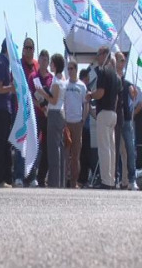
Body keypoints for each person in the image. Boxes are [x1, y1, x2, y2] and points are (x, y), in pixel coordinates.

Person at [89, 46, 121, 189]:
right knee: (111, 149)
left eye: (98, 54)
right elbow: (116, 97)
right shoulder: (116, 75)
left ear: (104, 55)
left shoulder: (103, 71)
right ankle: (111, 179)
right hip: (113, 113)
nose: (97, 57)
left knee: (104, 148)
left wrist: (90, 95)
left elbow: (100, 93)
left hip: (104, 112)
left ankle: (105, 180)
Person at [12, 37, 39, 187]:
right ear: (22, 49)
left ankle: (31, 176)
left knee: (32, 145)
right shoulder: (18, 65)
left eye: (31, 48)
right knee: (20, 145)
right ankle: (18, 176)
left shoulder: (36, 65)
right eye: (26, 48)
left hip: (34, 113)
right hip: (20, 111)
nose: (28, 50)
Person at [37, 53, 67, 188]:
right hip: (60, 112)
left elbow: (53, 99)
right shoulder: (63, 78)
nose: (50, 65)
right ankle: (60, 180)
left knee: (53, 149)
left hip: (55, 113)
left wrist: (42, 93)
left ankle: (54, 181)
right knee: (59, 147)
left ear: (55, 64)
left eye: (52, 63)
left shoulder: (56, 80)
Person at [0, 39, 15, 188]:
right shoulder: (1, 64)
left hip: (6, 109)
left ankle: (4, 178)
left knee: (5, 145)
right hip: (1, 109)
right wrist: (11, 88)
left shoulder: (6, 64)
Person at [27, 49, 53, 187]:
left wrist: (46, 106)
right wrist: (39, 106)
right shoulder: (33, 76)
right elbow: (31, 95)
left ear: (48, 62)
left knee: (47, 147)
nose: (43, 61)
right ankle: (30, 176)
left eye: (45, 59)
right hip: (36, 115)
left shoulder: (51, 78)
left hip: (48, 115)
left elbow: (53, 96)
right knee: (33, 146)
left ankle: (41, 177)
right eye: (41, 58)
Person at [115, 52, 138, 190]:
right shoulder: (112, 79)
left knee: (129, 149)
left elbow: (133, 94)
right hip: (116, 119)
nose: (122, 63)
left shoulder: (127, 81)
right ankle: (116, 178)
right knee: (115, 150)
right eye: (120, 60)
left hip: (127, 119)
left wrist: (133, 92)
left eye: (124, 60)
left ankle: (132, 179)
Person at [63, 60, 87, 188]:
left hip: (77, 123)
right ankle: (63, 180)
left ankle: (73, 182)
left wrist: (83, 119)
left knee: (76, 154)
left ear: (76, 70)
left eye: (72, 68)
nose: (70, 70)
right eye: (68, 68)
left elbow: (86, 104)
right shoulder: (64, 85)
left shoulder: (82, 86)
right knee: (66, 154)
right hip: (66, 123)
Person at [77, 69, 93, 187]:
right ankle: (80, 178)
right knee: (81, 153)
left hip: (85, 126)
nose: (88, 81)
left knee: (85, 154)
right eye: (86, 79)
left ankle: (83, 178)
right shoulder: (82, 89)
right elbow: (87, 108)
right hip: (81, 125)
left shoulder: (87, 90)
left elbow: (89, 109)